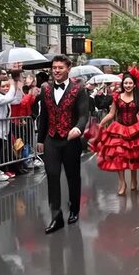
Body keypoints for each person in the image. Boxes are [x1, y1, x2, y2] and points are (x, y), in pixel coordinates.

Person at [38, 55, 89, 235]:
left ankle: (74, 208)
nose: (56, 70)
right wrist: (39, 139)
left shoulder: (79, 89)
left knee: (72, 176)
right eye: (54, 67)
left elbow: (84, 114)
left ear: (68, 68)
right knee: (52, 175)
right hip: (51, 139)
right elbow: (43, 115)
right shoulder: (45, 89)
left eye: (60, 67)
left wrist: (78, 128)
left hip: (70, 139)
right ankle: (56, 216)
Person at [94, 68, 139, 195]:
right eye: (125, 83)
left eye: (130, 83)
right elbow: (111, 113)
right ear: (122, 84)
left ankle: (134, 179)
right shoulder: (117, 97)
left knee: (133, 156)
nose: (128, 85)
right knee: (119, 156)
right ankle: (121, 182)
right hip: (119, 129)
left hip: (134, 129)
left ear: (134, 84)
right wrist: (101, 123)